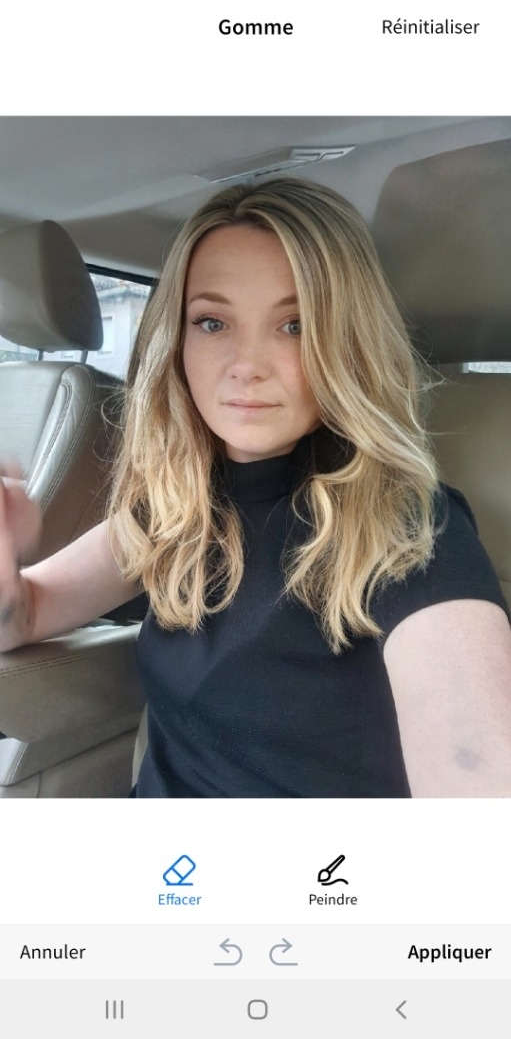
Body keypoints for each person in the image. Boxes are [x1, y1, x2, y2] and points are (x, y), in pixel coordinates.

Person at [1, 177, 511, 798]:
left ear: (346, 341)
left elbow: (475, 790)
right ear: (178, 340)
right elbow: (24, 613)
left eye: (294, 325)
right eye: (212, 322)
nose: (246, 365)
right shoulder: (170, 505)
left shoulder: (410, 530)